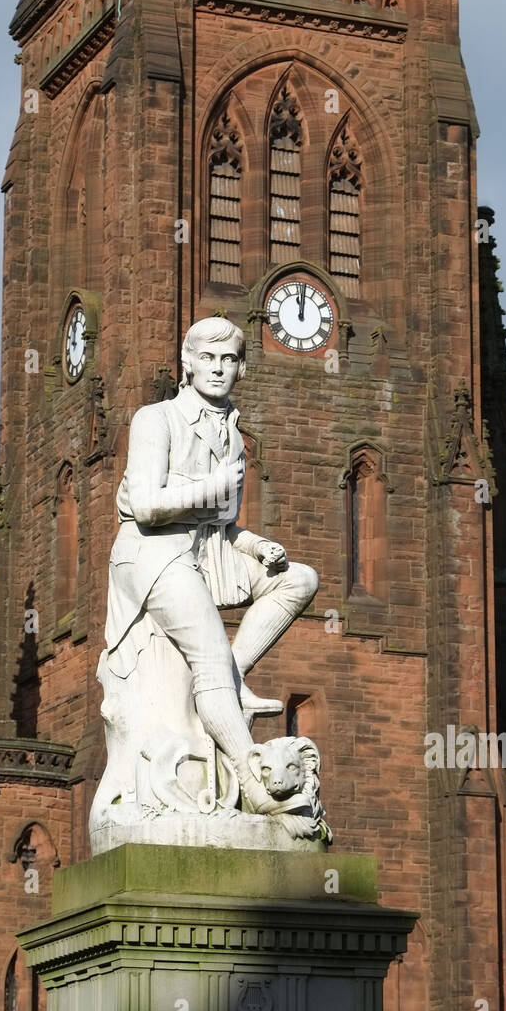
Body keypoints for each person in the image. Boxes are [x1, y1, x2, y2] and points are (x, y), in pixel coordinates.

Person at [104, 316, 318, 813]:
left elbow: (220, 524)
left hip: (209, 552)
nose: (218, 369)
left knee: (300, 579)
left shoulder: (234, 436)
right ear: (188, 364)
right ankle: (256, 781)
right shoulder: (154, 419)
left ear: (241, 367)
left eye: (228, 360)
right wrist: (215, 487)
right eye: (208, 358)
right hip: (153, 552)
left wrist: (255, 544)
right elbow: (148, 504)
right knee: (209, 659)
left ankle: (233, 676)